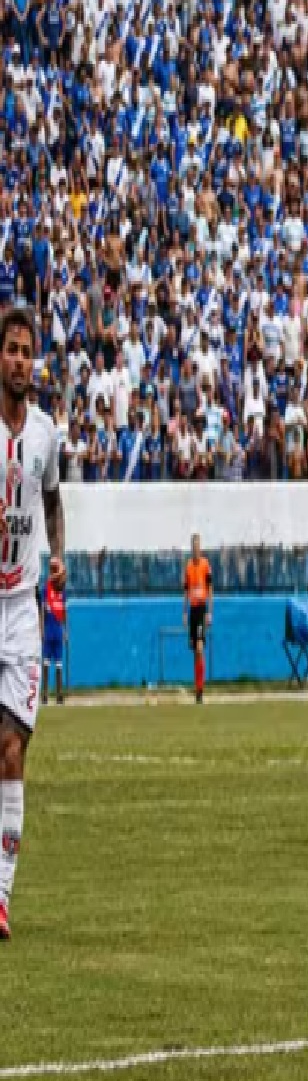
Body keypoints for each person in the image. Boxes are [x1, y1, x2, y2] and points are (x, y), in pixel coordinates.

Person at [0, 304, 66, 942]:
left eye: (26, 351)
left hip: (21, 607)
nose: (19, 360)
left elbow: (52, 499)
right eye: (11, 349)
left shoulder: (45, 433)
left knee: (13, 749)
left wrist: (60, 554)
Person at [183, 534, 212, 704]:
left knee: (200, 648)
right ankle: (198, 688)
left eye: (198, 546)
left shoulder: (205, 565)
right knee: (195, 651)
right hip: (193, 610)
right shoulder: (188, 567)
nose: (196, 549)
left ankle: (201, 690)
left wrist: (209, 612)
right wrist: (184, 612)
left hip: (202, 608)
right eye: (193, 546)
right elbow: (186, 590)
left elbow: (210, 587)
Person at [41, 575, 66, 705]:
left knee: (59, 664)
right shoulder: (46, 591)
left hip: (58, 632)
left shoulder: (62, 592)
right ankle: (44, 695)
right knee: (45, 663)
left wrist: (66, 631)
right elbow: (42, 611)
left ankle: (59, 696)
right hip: (48, 632)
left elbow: (64, 612)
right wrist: (42, 629)